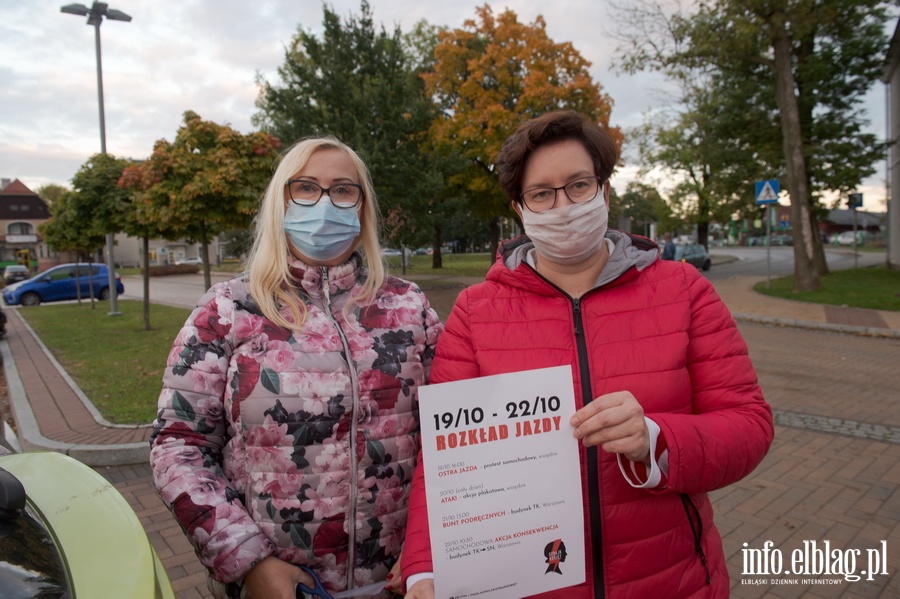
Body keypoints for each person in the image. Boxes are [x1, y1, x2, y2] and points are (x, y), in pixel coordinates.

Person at [401, 111, 773, 598]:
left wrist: (656, 441)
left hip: (671, 580)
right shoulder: (476, 310)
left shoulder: (683, 290)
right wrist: (425, 568)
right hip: (526, 583)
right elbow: (446, 457)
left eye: (578, 185)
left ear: (605, 192)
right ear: (520, 208)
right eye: (542, 193)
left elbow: (749, 424)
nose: (563, 206)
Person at [150, 136, 443, 599]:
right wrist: (247, 560)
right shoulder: (228, 310)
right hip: (282, 588)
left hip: (399, 582)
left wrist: (428, 548)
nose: (325, 202)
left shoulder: (409, 306)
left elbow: (445, 433)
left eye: (343, 190)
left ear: (362, 206)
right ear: (280, 202)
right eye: (305, 188)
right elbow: (178, 446)